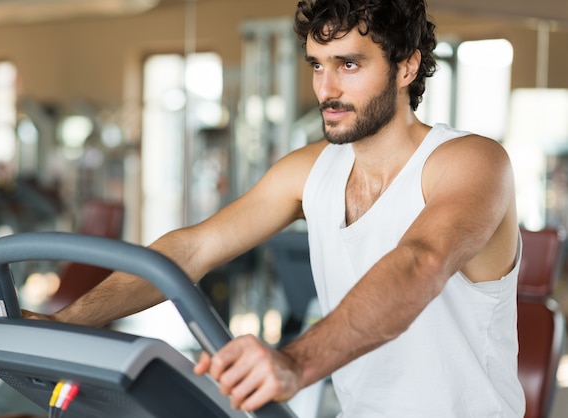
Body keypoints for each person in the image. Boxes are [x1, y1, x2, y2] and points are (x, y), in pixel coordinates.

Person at [26, 0, 525, 416]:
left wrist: (294, 363)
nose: (326, 88)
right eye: (317, 65)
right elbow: (192, 249)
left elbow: (420, 263)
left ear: (407, 66)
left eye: (349, 64)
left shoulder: (471, 162)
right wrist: (66, 324)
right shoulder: (311, 169)